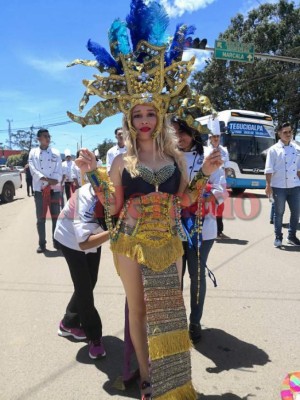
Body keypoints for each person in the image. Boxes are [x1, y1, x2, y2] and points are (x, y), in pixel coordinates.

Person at [67, 1, 222, 397]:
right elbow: (114, 208)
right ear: (128, 120)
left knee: (169, 311)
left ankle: (175, 382)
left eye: (150, 114)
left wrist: (205, 173)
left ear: (161, 115)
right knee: (138, 311)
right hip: (129, 244)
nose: (144, 122)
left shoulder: (175, 158)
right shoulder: (121, 159)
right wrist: (93, 175)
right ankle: (150, 378)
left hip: (168, 241)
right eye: (137, 115)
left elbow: (188, 201)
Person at [172, 115, 227, 344]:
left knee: (196, 276)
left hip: (201, 228)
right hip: (172, 227)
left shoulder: (208, 155)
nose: (178, 137)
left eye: (182, 131)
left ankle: (194, 322)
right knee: (174, 277)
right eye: (173, 132)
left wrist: (204, 194)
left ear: (193, 131)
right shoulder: (167, 155)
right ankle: (175, 322)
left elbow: (221, 190)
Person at [54, 183, 109, 359]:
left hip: (92, 233)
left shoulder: (111, 191)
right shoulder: (86, 201)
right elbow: (84, 243)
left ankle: (68, 323)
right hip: (70, 239)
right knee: (84, 288)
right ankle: (95, 337)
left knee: (90, 280)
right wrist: (114, 231)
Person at [265, 122, 300, 247]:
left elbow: (298, 169)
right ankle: (278, 237)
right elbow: (268, 169)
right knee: (279, 213)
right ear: (279, 133)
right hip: (278, 187)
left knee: (296, 213)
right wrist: (268, 185)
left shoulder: (296, 149)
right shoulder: (273, 150)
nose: (288, 134)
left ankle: (292, 236)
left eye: (290, 132)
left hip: (295, 186)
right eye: (285, 132)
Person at [29, 128, 62, 253]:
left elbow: (59, 171)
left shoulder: (56, 153)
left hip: (54, 190)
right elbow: (33, 170)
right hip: (39, 190)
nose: (48, 138)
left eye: (49, 136)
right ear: (38, 139)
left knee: (55, 217)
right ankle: (42, 244)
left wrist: (52, 182)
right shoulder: (33, 152)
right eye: (45, 136)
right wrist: (47, 181)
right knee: (41, 218)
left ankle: (56, 242)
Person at [206, 117, 230, 239]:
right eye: (213, 136)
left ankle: (219, 231)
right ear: (210, 138)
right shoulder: (205, 151)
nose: (216, 139)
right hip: (209, 184)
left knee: (220, 208)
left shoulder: (224, 150)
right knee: (210, 208)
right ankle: (210, 233)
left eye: (217, 136)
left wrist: (226, 180)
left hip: (222, 183)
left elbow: (227, 167)